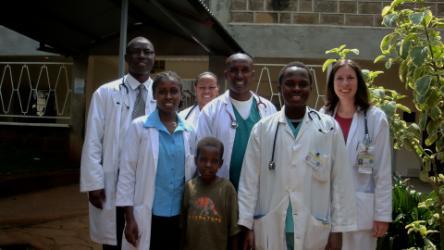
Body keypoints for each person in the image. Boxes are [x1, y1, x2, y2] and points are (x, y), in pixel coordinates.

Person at [237, 62, 357, 250]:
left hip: (314, 227)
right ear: (280, 88)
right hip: (270, 225)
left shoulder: (328, 128)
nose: (296, 89)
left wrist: (337, 230)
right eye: (290, 83)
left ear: (310, 87)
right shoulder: (262, 129)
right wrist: (246, 225)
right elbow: (249, 182)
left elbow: (341, 182)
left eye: (302, 84)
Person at [80, 36, 156, 249]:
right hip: (114, 177)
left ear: (154, 57)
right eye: (136, 51)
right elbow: (93, 139)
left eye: (147, 52)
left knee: (143, 237)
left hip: (146, 177)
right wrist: (93, 183)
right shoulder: (105, 92)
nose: (142, 56)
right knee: (114, 238)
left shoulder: (163, 93)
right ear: (126, 57)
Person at [116, 71, 196, 250]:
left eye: (174, 91)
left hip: (179, 216)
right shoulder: (139, 127)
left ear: (181, 94)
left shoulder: (190, 130)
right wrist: (129, 219)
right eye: (162, 91)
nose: (168, 96)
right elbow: (127, 174)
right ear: (154, 95)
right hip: (147, 214)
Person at [320, 59, 392, 250]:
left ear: (358, 82)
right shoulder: (323, 116)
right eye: (339, 78)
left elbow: (383, 170)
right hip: (327, 208)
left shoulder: (375, 118)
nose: (345, 84)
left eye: (350, 78)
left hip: (361, 210)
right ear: (332, 84)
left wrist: (382, 215)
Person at [196, 53, 276, 190]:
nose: (239, 75)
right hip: (220, 191)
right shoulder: (210, 112)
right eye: (234, 70)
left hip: (259, 191)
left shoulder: (268, 109)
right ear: (226, 74)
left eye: (245, 70)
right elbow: (202, 157)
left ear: (253, 74)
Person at [181, 137, 240, 250]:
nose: (208, 165)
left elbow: (234, 231)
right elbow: (182, 225)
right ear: (195, 160)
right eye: (203, 159)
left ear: (220, 163)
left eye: (214, 161)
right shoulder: (189, 187)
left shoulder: (227, 189)